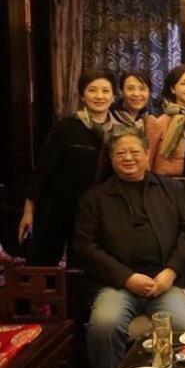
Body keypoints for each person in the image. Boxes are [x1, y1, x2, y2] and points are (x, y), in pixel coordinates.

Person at [74, 127, 185, 368]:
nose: (128, 158)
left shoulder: (172, 189)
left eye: (134, 151)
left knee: (181, 324)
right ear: (111, 158)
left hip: (165, 281)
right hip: (116, 284)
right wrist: (126, 277)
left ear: (147, 152)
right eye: (121, 153)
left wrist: (171, 271)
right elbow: (84, 246)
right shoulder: (95, 198)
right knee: (104, 325)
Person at [18, 68, 117, 266]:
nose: (99, 96)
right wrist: (28, 210)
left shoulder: (118, 132)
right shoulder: (67, 127)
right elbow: (43, 169)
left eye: (105, 91)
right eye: (92, 90)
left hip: (92, 212)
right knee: (42, 265)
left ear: (113, 96)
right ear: (82, 95)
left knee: (81, 267)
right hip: (56, 208)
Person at [146, 64, 185, 176]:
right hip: (164, 182)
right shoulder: (159, 122)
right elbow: (148, 160)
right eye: (184, 83)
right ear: (172, 89)